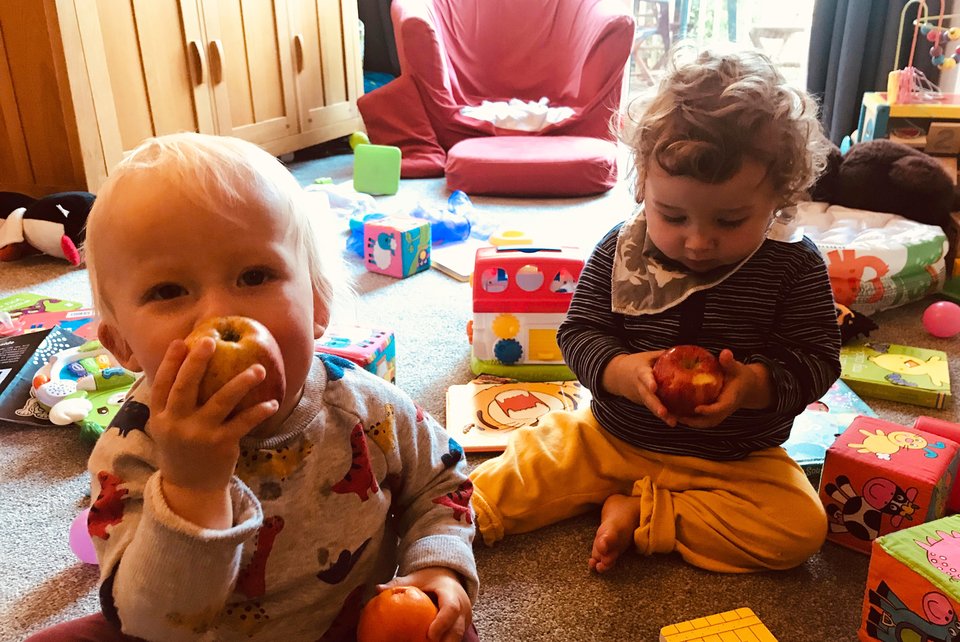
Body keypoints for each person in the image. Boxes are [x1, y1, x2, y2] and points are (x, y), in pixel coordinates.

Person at [28, 133, 477, 642]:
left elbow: (442, 481)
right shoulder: (134, 448)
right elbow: (154, 623)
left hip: (348, 623)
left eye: (255, 275)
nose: (220, 315)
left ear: (318, 303)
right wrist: (191, 486)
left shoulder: (365, 408)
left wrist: (438, 567)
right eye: (169, 291)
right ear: (121, 344)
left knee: (443, 626)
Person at [470, 48, 842, 575]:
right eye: (673, 215)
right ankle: (444, 533)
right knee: (516, 471)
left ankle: (645, 511)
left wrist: (753, 385)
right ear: (643, 181)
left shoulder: (794, 266)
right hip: (611, 438)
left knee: (800, 528)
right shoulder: (622, 248)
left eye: (731, 220)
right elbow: (580, 332)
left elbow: (818, 359)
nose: (697, 241)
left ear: (779, 199)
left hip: (733, 461)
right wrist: (621, 372)